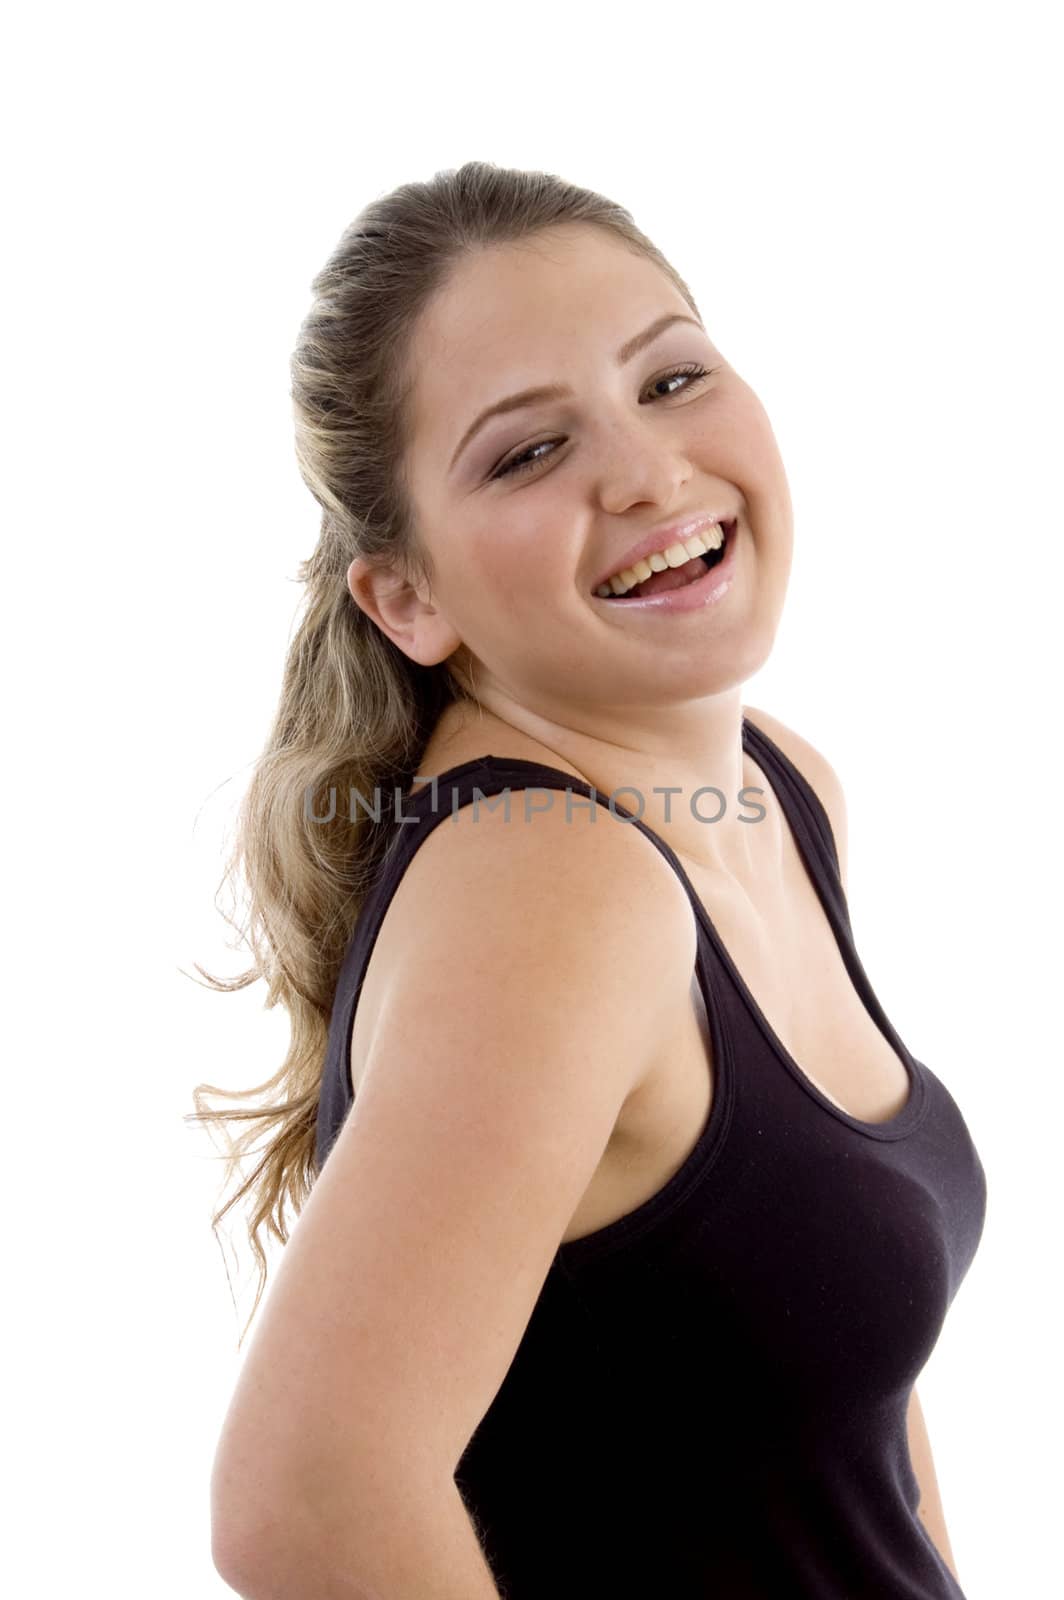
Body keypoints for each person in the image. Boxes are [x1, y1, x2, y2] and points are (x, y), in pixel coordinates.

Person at [195, 160, 987, 1599]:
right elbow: (307, 1501)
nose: (645, 471)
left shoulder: (782, 789)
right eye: (525, 453)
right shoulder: (556, 890)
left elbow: (849, 1417)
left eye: (672, 380)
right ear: (408, 598)